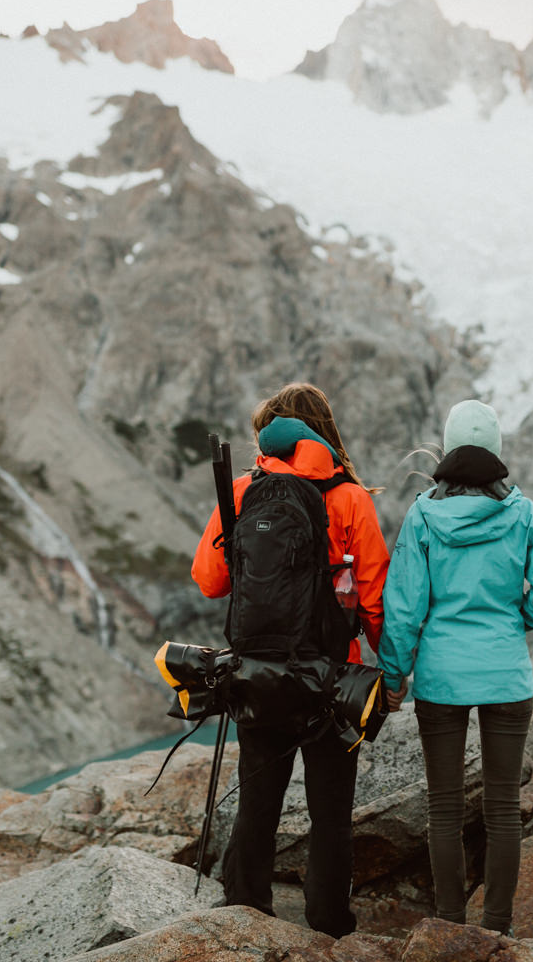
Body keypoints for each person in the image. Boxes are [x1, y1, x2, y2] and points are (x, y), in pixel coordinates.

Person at [190, 381, 389, 937]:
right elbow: (373, 597)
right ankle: (329, 926)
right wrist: (387, 675)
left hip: (256, 673)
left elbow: (209, 581)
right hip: (330, 678)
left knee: (258, 798)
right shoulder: (349, 498)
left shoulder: (243, 490)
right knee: (330, 814)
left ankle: (245, 912)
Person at [377, 399, 533, 936]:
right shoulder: (524, 513)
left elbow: (404, 610)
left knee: (443, 809)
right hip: (507, 674)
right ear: (496, 450)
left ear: (449, 446)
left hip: (440, 679)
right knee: (504, 807)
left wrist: (394, 678)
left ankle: (448, 926)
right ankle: (498, 930)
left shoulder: (422, 515)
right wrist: (515, 621)